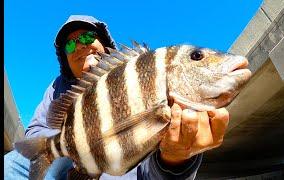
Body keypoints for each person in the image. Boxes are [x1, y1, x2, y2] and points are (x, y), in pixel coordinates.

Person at [4, 15, 230, 180]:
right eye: (70, 43)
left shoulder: (145, 77)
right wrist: (78, 144)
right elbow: (34, 133)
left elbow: (150, 174)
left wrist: (177, 158)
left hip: (121, 171)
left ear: (103, 43)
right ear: (65, 57)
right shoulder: (57, 88)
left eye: (89, 36)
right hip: (69, 166)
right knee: (11, 164)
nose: (81, 45)